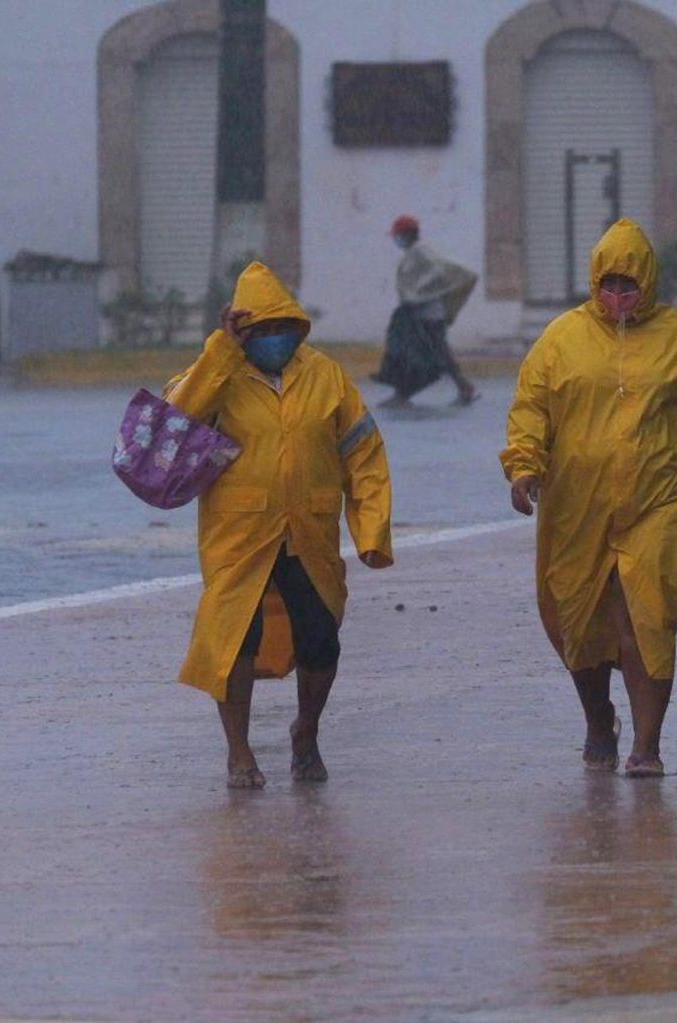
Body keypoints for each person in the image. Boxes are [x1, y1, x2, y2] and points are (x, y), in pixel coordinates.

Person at [500, 219, 677, 779]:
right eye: (609, 283)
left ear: (649, 282)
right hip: (577, 504)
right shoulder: (560, 340)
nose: (619, 296)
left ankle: (647, 744)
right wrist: (524, 468)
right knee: (577, 620)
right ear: (595, 282)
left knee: (647, 617)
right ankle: (598, 719)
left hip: (660, 501)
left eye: (629, 284)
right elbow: (531, 409)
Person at [165, 261, 393, 789]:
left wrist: (372, 529)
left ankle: (306, 732)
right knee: (234, 643)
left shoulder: (325, 375)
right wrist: (221, 353)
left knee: (321, 640)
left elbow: (363, 451)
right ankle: (239, 751)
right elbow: (177, 419)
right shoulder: (218, 371)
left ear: (296, 323)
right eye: (260, 331)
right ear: (241, 331)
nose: (273, 340)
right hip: (239, 535)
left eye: (280, 328)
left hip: (308, 533)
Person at [372, 213, 480, 407]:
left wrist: (419, 294)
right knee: (433, 352)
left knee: (417, 353)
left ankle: (403, 395)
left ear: (406, 234)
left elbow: (437, 274)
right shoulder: (416, 252)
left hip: (427, 315)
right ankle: (462, 387)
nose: (396, 240)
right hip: (423, 313)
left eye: (398, 235)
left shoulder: (421, 252)